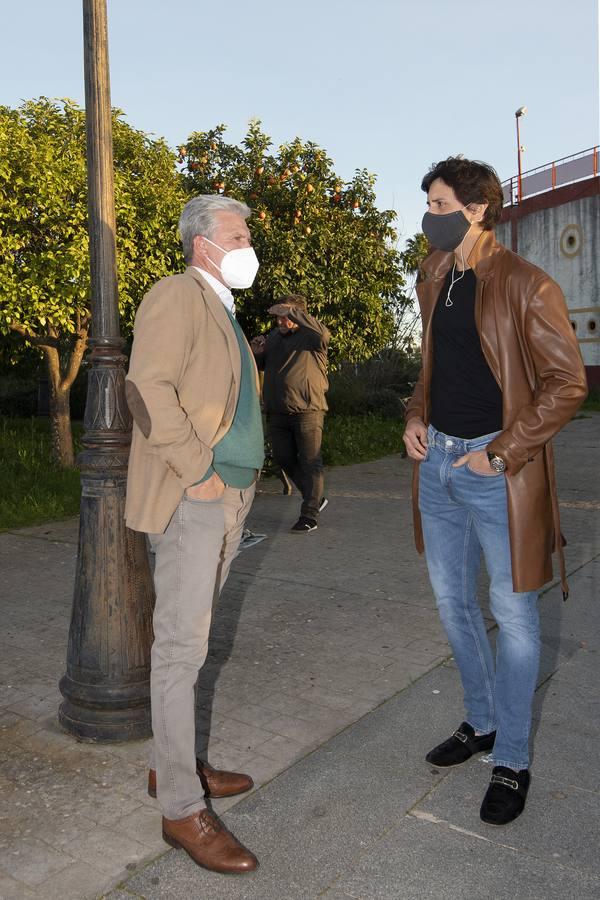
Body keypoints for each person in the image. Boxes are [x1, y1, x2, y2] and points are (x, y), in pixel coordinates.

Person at [403, 157, 586, 826]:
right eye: (427, 200)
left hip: (495, 473)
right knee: (453, 607)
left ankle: (511, 758)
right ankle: (479, 722)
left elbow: (567, 384)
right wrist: (416, 416)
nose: (430, 212)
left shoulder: (527, 285)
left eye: (441, 200)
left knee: (514, 619)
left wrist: (502, 453)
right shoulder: (433, 275)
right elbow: (433, 368)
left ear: (476, 209)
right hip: (438, 465)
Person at [125, 195, 265, 874]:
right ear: (204, 242)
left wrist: (234, 481)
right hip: (194, 496)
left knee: (195, 641)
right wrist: (200, 471)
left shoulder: (224, 308)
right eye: (238, 234)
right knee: (182, 647)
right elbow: (146, 387)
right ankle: (181, 807)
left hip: (230, 495)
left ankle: (174, 765)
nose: (248, 244)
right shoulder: (177, 294)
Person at [251, 295, 330, 533]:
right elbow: (263, 364)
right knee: (283, 458)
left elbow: (323, 333)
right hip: (277, 410)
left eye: (285, 316)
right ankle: (314, 497)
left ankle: (309, 514)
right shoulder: (274, 337)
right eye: (278, 317)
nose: (280, 321)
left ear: (299, 316)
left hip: (307, 409)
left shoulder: (313, 337)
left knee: (310, 461)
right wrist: (256, 352)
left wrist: (292, 312)